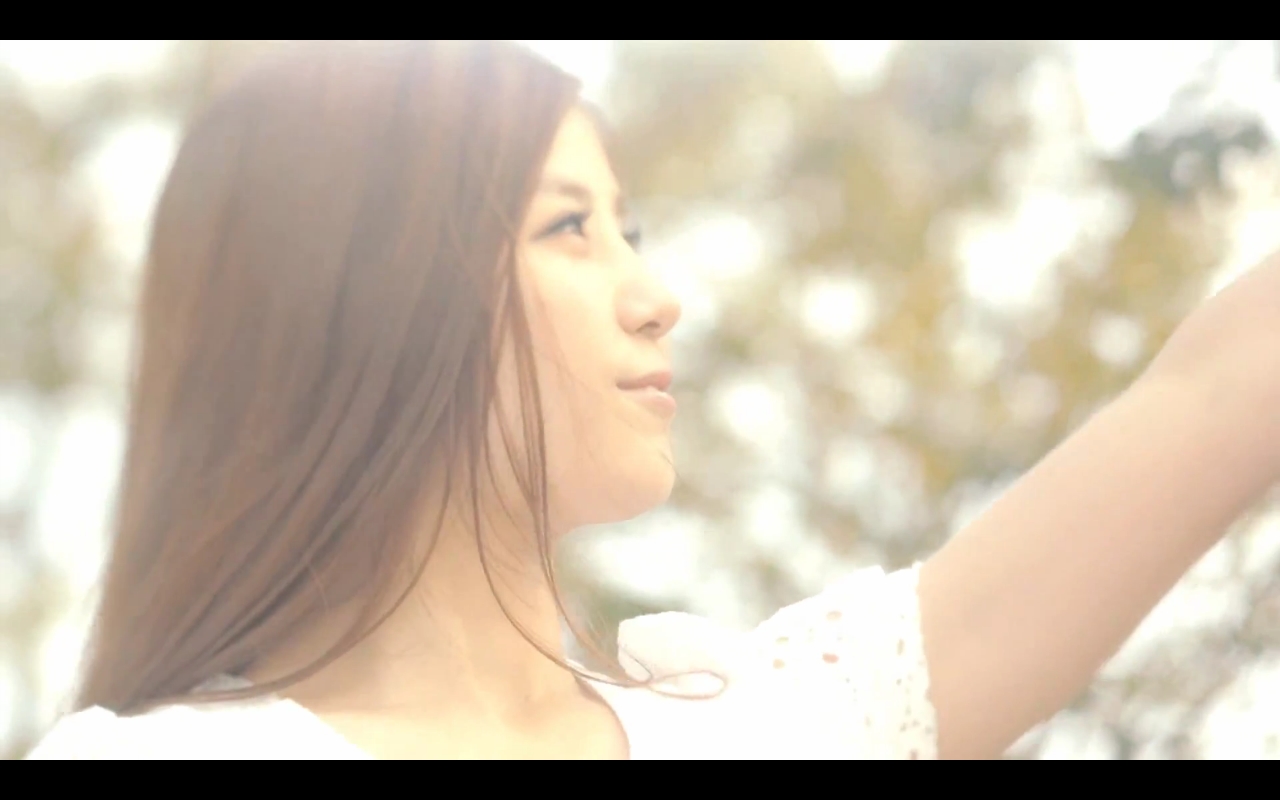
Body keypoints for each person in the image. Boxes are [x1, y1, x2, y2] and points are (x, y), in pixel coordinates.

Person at [22, 39, 1280, 760]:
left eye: (631, 230)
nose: (656, 297)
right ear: (365, 297)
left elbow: (1212, 394)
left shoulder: (777, 724)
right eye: (568, 228)